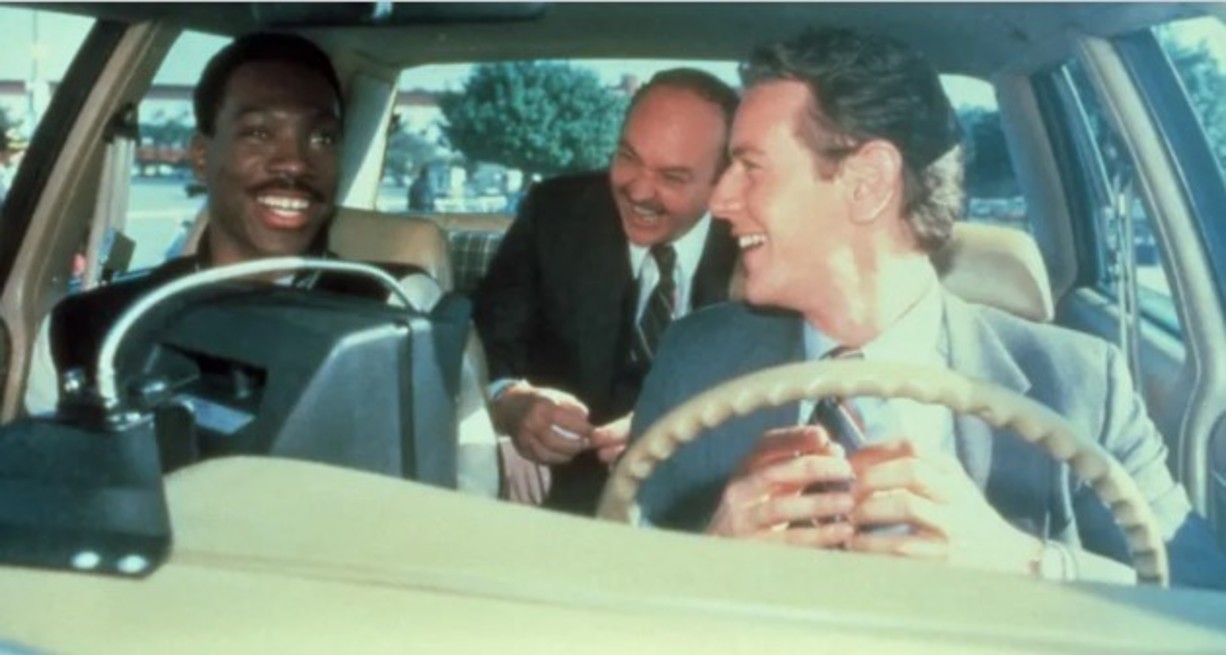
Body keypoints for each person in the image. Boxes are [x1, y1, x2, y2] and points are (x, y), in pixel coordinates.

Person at [629, 27, 1226, 588]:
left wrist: (1030, 566)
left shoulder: (1080, 384)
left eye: (750, 167)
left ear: (868, 182)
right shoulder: (695, 362)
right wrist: (709, 558)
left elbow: (1205, 600)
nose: (720, 198)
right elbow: (616, 577)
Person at [23, 32, 498, 497]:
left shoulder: (400, 308)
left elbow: (468, 495)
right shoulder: (85, 329)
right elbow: (48, 505)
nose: (294, 163)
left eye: (322, 137)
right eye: (259, 133)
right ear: (201, 157)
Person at [473, 69, 741, 515]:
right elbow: (487, 342)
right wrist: (510, 401)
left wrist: (683, 435)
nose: (639, 190)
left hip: (713, 505)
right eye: (628, 156)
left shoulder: (760, 245)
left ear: (723, 181)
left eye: (673, 177)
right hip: (571, 500)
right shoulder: (557, 213)